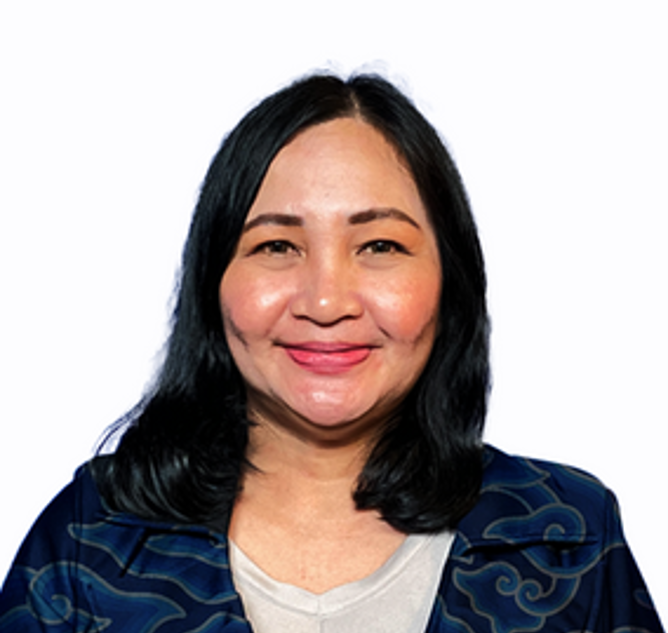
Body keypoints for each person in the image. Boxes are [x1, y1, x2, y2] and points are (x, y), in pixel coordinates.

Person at [0, 73, 663, 633]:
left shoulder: (567, 541)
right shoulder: (89, 542)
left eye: (379, 246)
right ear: (214, 281)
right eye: (276, 246)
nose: (325, 301)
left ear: (450, 280)